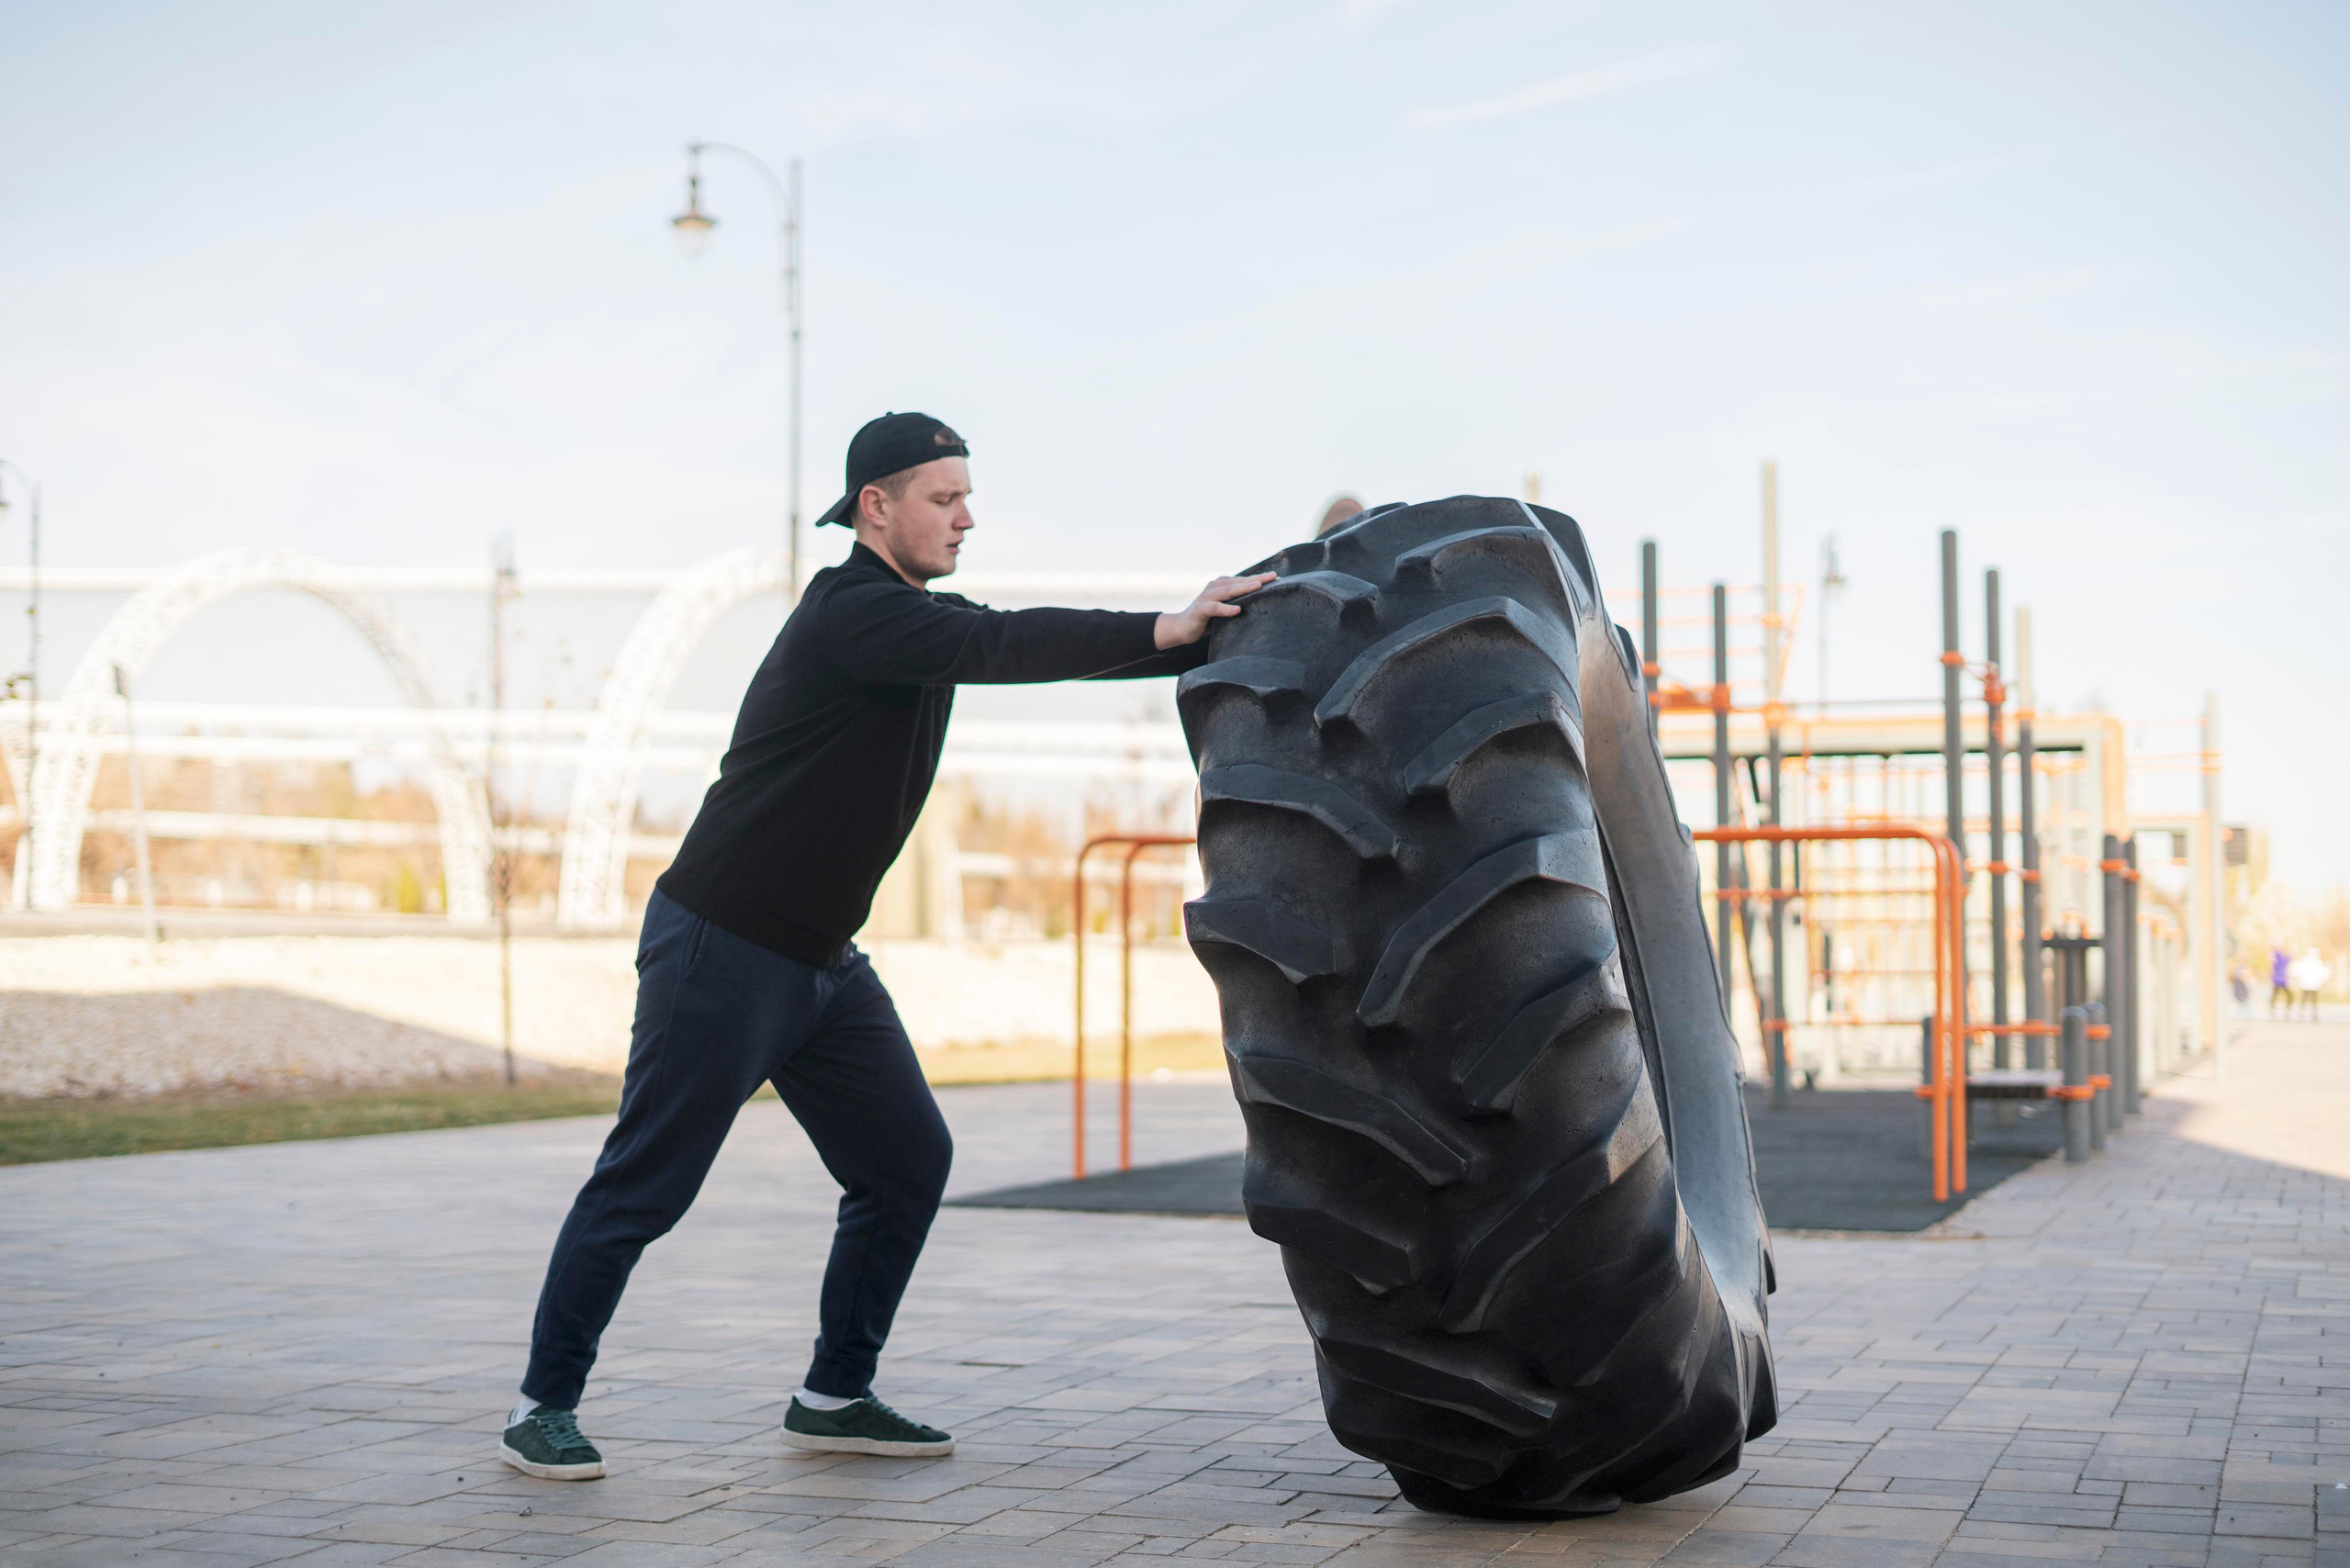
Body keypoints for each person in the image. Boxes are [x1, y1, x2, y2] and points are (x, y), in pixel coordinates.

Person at [498, 412, 1273, 1482]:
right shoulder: (851, 615)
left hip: (820, 962)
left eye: (966, 496)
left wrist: (1196, 641)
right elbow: (998, 645)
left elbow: (1007, 645)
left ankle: (834, 1393)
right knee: (646, 1182)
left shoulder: (907, 622)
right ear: (877, 507)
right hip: (721, 945)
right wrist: (1164, 627)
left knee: (906, 1161)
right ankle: (542, 1404)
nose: (966, 516)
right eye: (943, 498)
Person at [2291, 948, 2330, 1023]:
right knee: (2314, 1000)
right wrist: (2324, 980)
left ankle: (2302, 1013)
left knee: (2304, 999)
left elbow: (2297, 970)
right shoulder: (2318, 962)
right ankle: (2314, 1014)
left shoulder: (2304, 961)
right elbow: (2323, 972)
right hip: (2315, 984)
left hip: (2305, 983)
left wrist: (2297, 977)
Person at [2272, 947, 2293, 1018]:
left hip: (2277, 979)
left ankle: (2273, 1008)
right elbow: (2287, 960)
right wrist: (2290, 954)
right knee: (2289, 995)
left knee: (2275, 995)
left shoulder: (2276, 958)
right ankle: (2287, 1008)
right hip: (2281, 980)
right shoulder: (2280, 958)